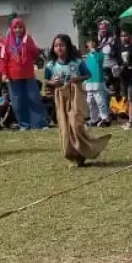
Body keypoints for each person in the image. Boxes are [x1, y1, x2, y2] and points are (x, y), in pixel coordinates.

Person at [44, 34, 110, 166]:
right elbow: (46, 80)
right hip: (61, 97)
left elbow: (88, 74)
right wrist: (53, 82)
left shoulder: (77, 62)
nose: (59, 48)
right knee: (65, 127)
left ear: (68, 46)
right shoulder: (51, 65)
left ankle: (87, 150)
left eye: (62, 45)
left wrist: (76, 79)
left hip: (76, 96)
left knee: (75, 123)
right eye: (56, 46)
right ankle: (73, 156)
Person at [0, 18, 47, 130]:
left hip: (28, 75)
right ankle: (24, 124)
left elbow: (35, 53)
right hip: (13, 76)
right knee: (18, 102)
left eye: (20, 27)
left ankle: (39, 123)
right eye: (15, 27)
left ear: (24, 28)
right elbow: (3, 60)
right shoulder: (6, 42)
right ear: (11, 29)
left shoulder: (28, 39)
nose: (18, 30)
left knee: (34, 99)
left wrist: (29, 44)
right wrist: (4, 74)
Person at [83, 40, 112, 127]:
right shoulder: (88, 56)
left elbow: (98, 61)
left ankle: (105, 118)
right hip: (89, 81)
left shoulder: (100, 54)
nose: (90, 45)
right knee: (90, 102)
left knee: (100, 101)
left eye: (91, 43)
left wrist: (93, 50)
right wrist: (85, 80)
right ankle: (94, 119)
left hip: (98, 81)